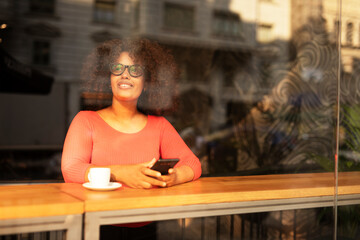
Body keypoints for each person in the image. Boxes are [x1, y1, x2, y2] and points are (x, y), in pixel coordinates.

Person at [61, 38, 201, 188]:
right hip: (101, 210)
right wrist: (120, 173)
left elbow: (193, 164)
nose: (125, 75)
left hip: (146, 210)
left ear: (146, 82)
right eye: (117, 68)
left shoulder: (160, 126)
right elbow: (71, 169)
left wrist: (175, 177)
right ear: (110, 78)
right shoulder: (86, 121)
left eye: (135, 70)